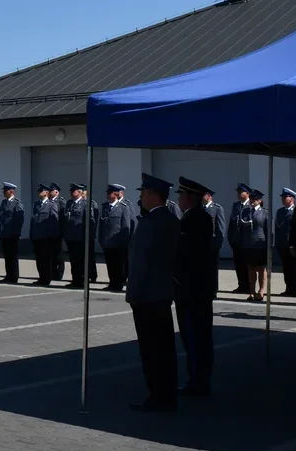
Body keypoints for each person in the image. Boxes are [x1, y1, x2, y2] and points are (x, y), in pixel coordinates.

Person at [127, 173, 181, 412]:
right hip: (163, 292)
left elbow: (140, 263)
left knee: (150, 349)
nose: (141, 197)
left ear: (152, 195)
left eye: (143, 193)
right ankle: (168, 394)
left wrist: (133, 294)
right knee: (166, 348)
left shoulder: (148, 223)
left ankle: (157, 396)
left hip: (147, 295)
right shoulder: (172, 220)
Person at [174, 176, 216, 397]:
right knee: (200, 336)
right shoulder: (199, 217)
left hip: (191, 289)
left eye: (181, 195)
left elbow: (186, 255)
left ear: (189, 197)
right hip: (199, 288)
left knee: (194, 336)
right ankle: (200, 379)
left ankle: (198, 382)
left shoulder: (193, 220)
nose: (179, 199)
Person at [62, 183, 99, 289]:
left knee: (81, 261)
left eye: (74, 191)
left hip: (81, 237)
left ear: (79, 192)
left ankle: (82, 281)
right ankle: (75, 280)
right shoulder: (69, 203)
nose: (71, 193)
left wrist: (89, 236)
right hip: (71, 237)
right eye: (71, 191)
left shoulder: (86, 204)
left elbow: (90, 221)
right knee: (73, 260)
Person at [99, 183, 133, 292]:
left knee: (118, 265)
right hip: (107, 242)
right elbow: (102, 225)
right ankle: (112, 283)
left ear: (116, 194)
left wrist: (124, 242)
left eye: (110, 193)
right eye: (108, 193)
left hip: (118, 243)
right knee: (110, 264)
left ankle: (118, 284)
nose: (108, 195)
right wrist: (101, 239)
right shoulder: (105, 207)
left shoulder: (124, 207)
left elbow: (126, 226)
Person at [31, 183, 61, 286]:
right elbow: (33, 220)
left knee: (46, 259)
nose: (39, 193)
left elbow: (54, 221)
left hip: (46, 237)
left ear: (47, 193)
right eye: (38, 191)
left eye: (41, 191)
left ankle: (46, 279)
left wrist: (52, 236)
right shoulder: (36, 204)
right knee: (39, 259)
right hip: (37, 236)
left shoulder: (51, 205)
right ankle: (41, 277)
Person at [240, 189, 268, 301]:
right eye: (251, 198)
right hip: (248, 244)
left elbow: (268, 230)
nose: (252, 201)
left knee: (261, 268)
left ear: (260, 200)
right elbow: (241, 228)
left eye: (254, 199)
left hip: (260, 244)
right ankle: (251, 291)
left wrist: (269, 245)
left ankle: (261, 290)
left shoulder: (264, 212)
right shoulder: (245, 211)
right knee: (250, 268)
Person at [0, 182, 25, 284]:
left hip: (12, 234)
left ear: (11, 191)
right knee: (7, 256)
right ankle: (8, 275)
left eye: (5, 191)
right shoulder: (4, 203)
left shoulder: (17, 203)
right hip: (4, 233)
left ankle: (14, 277)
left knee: (13, 256)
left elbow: (19, 219)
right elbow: (1, 218)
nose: (4, 192)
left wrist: (16, 232)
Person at [274, 188, 296, 296]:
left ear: (292, 199)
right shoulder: (280, 211)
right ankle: (288, 288)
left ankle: (294, 289)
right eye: (282, 198)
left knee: (294, 268)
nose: (283, 199)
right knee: (286, 268)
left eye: (285, 197)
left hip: (291, 244)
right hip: (281, 244)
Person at [227, 183, 251, 294]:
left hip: (246, 242)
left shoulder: (251, 205)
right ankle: (241, 285)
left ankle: (249, 286)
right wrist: (230, 238)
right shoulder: (236, 205)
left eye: (240, 191)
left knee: (247, 265)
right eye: (238, 192)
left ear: (247, 193)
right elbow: (232, 222)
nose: (238, 194)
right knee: (238, 265)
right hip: (236, 241)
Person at [204, 190, 226, 298]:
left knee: (212, 270)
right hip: (201, 245)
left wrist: (218, 245)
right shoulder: (200, 209)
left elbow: (220, 229)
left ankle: (213, 290)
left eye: (203, 195)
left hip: (212, 246)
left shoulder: (217, 209)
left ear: (209, 196)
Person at [49, 183, 67, 281]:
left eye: (51, 191)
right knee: (51, 254)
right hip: (50, 233)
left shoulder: (61, 202)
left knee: (59, 255)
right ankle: (52, 273)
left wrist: (62, 231)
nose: (49, 192)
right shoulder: (48, 202)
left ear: (56, 192)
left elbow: (63, 218)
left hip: (58, 232)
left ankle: (59, 274)